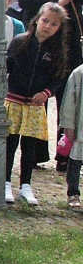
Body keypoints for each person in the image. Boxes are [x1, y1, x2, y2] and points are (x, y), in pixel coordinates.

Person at [4, 2, 71, 205]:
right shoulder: (20, 42)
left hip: (35, 104)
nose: (47, 27)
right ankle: (5, 181)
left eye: (54, 24)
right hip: (14, 100)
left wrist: (46, 93)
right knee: (10, 142)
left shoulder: (57, 51)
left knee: (30, 145)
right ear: (37, 20)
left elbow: (58, 78)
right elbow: (7, 67)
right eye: (45, 21)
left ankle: (26, 185)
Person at [58, 61, 83, 208]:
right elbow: (69, 100)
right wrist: (68, 124)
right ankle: (73, 192)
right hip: (80, 125)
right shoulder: (79, 73)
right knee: (75, 161)